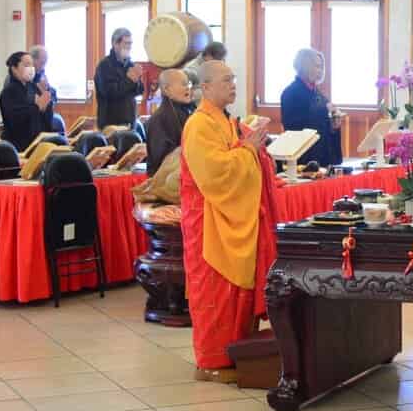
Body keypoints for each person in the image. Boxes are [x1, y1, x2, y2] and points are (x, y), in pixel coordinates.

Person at [180, 60, 279, 379]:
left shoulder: (227, 121)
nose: (233, 85)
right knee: (215, 294)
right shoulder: (199, 124)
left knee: (238, 294)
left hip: (233, 216)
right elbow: (215, 173)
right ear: (205, 87)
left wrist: (254, 148)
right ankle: (211, 363)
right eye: (225, 80)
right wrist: (247, 150)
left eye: (233, 79)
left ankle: (240, 356)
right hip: (209, 222)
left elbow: (239, 156)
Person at [279, 48, 343, 167]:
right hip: (304, 157)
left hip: (323, 156)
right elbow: (292, 126)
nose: (321, 70)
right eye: (317, 66)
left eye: (321, 67)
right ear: (305, 66)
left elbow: (324, 123)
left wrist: (334, 124)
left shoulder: (318, 93)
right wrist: (324, 111)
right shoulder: (291, 93)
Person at [0, 50, 53, 152]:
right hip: (18, 145)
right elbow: (16, 119)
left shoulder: (34, 87)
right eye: (27, 65)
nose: (31, 68)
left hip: (37, 141)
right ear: (14, 69)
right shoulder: (9, 92)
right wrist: (37, 107)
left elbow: (45, 115)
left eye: (32, 65)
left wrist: (46, 105)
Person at [144, 68, 196, 173]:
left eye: (188, 84)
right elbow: (162, 159)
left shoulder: (190, 111)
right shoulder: (159, 119)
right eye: (183, 84)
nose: (188, 88)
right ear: (167, 90)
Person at [93, 28, 141, 127]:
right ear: (115, 44)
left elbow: (139, 91)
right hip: (110, 124)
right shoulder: (104, 66)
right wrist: (130, 80)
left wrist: (137, 82)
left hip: (130, 122)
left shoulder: (130, 65)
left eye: (130, 43)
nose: (129, 47)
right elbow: (109, 92)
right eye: (126, 43)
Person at [29, 45, 65, 132]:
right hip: (31, 116)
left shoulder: (41, 73)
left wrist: (47, 91)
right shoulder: (25, 76)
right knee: (56, 122)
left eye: (45, 63)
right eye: (42, 62)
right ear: (33, 60)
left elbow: (50, 91)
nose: (44, 66)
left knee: (57, 121)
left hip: (43, 113)